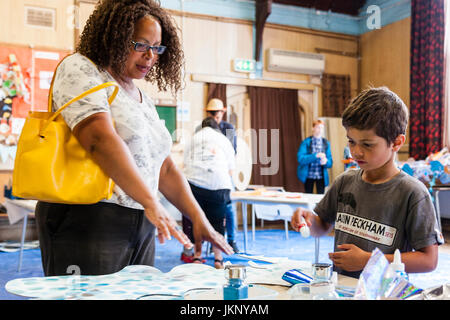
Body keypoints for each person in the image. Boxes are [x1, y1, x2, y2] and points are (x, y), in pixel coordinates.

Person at [34, 0, 232, 277]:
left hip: (140, 218)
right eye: (140, 45)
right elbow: (98, 138)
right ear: (115, 37)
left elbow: (163, 166)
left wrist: (199, 218)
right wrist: (151, 201)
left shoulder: (140, 97)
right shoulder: (81, 68)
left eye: (157, 47)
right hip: (88, 216)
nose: (150, 55)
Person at [291, 87, 444, 279]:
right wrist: (308, 221)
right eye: (351, 141)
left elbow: (428, 260)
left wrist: (369, 259)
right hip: (342, 288)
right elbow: (322, 225)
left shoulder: (412, 193)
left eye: (367, 144)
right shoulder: (344, 182)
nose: (356, 152)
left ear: (396, 143)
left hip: (385, 293)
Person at [183, 117, 236, 268]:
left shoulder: (194, 138)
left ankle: (197, 256)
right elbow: (231, 169)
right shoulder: (223, 139)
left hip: (194, 183)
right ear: (216, 128)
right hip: (219, 185)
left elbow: (185, 164)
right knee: (218, 221)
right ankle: (218, 259)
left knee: (197, 219)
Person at [297, 119, 333, 194]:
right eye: (318, 127)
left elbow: (330, 163)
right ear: (313, 128)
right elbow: (300, 159)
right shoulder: (306, 142)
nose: (320, 130)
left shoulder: (326, 143)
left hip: (321, 176)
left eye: (322, 128)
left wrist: (326, 161)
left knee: (320, 198)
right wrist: (315, 156)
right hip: (308, 175)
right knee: (308, 196)